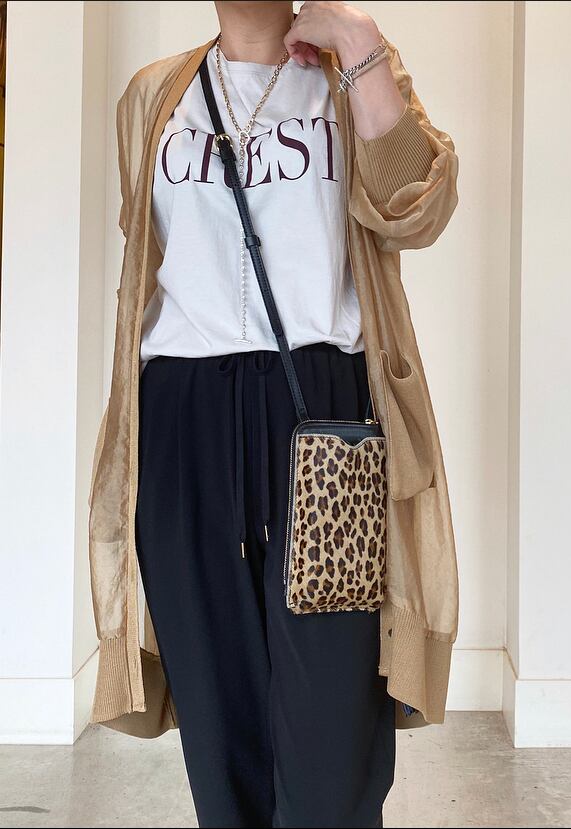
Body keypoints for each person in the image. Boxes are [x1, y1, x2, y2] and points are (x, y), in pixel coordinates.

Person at [86, 1, 460, 827]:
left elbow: (416, 208)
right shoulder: (153, 95)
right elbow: (150, 255)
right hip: (182, 414)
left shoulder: (355, 74)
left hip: (322, 413)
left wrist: (358, 41)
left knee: (334, 715)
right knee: (219, 714)